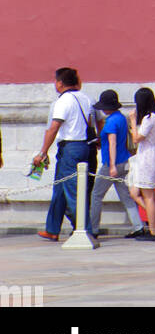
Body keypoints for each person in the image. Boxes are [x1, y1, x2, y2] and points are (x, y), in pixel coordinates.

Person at [32, 67, 95, 241]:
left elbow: (53, 128)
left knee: (73, 191)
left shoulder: (63, 101)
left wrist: (42, 152)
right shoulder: (86, 98)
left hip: (70, 148)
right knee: (59, 189)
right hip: (82, 145)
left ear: (60, 83)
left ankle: (85, 230)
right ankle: (52, 228)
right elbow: (91, 123)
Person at [88, 90, 143, 239]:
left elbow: (112, 142)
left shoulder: (111, 121)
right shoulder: (122, 118)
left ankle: (93, 228)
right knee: (126, 196)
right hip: (124, 160)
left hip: (111, 163)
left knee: (96, 195)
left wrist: (111, 165)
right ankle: (138, 225)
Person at [127, 88, 155, 240]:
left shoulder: (149, 118)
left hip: (148, 156)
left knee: (148, 195)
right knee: (135, 192)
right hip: (153, 154)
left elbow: (137, 138)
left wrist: (132, 121)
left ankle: (153, 231)